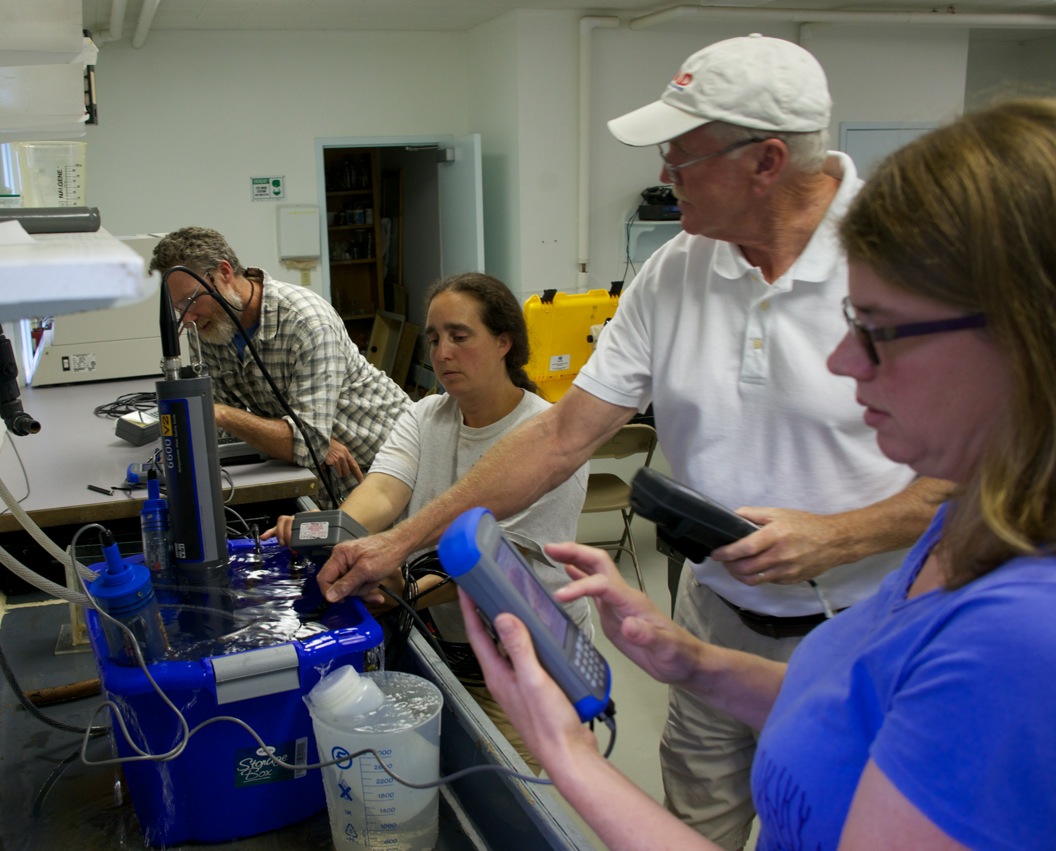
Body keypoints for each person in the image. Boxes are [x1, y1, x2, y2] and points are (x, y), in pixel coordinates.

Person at [315, 34, 950, 848]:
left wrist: (840, 533)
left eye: (680, 157)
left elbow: (1000, 477)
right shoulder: (675, 272)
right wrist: (398, 542)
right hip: (711, 617)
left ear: (766, 161)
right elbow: (561, 437)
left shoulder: (914, 261)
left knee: (831, 823)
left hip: (871, 626)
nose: (661, 176)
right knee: (697, 817)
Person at [460, 96, 1056, 850]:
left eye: (878, 331)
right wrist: (696, 661)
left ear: (1023, 338)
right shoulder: (963, 526)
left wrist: (567, 757)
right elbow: (853, 707)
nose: (842, 362)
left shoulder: (1021, 635)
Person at [265, 272, 590, 769]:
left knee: (506, 802)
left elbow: (491, 565)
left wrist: (398, 585)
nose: (442, 353)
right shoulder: (425, 416)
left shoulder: (550, 443)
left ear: (505, 342)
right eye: (434, 338)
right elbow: (381, 491)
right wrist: (333, 537)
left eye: (460, 337)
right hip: (451, 648)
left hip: (526, 668)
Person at [149, 227, 411, 504]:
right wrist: (300, 441)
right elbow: (233, 435)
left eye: (191, 300)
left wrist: (224, 414)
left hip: (385, 461)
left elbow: (306, 442)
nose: (188, 317)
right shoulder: (209, 328)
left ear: (224, 273)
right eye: (179, 308)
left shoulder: (306, 320)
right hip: (321, 475)